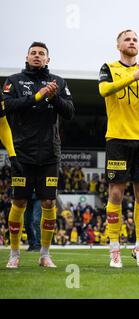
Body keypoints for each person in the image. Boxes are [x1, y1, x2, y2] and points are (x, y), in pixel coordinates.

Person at [3, 41, 75, 268]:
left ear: (48, 59)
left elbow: (70, 112)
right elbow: (6, 107)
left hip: (50, 153)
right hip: (22, 152)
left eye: (41, 53)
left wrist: (53, 96)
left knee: (48, 202)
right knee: (19, 201)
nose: (37, 56)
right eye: (33, 53)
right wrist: (38, 95)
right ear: (26, 57)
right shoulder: (13, 81)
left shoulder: (59, 82)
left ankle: (45, 254)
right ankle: (14, 254)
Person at [98, 29, 139, 268]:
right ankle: (114, 248)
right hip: (117, 138)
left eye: (135, 39)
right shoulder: (108, 67)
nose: (132, 42)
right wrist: (133, 77)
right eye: (128, 39)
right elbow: (104, 91)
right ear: (118, 46)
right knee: (116, 192)